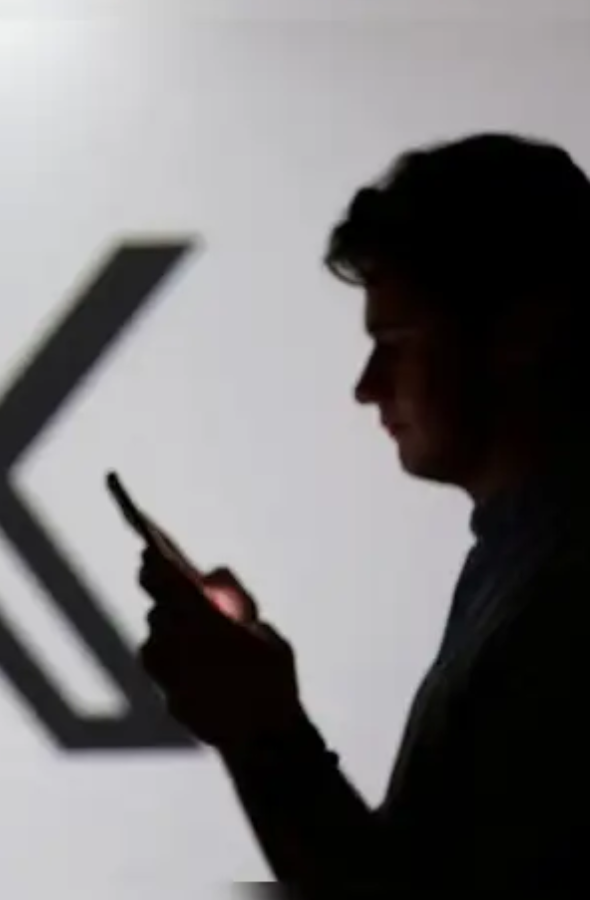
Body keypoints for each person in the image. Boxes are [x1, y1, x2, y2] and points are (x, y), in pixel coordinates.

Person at [134, 133, 590, 890]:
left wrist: (261, 729)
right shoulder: (518, 559)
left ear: (523, 332)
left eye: (397, 342)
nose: (367, 385)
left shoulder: (565, 595)